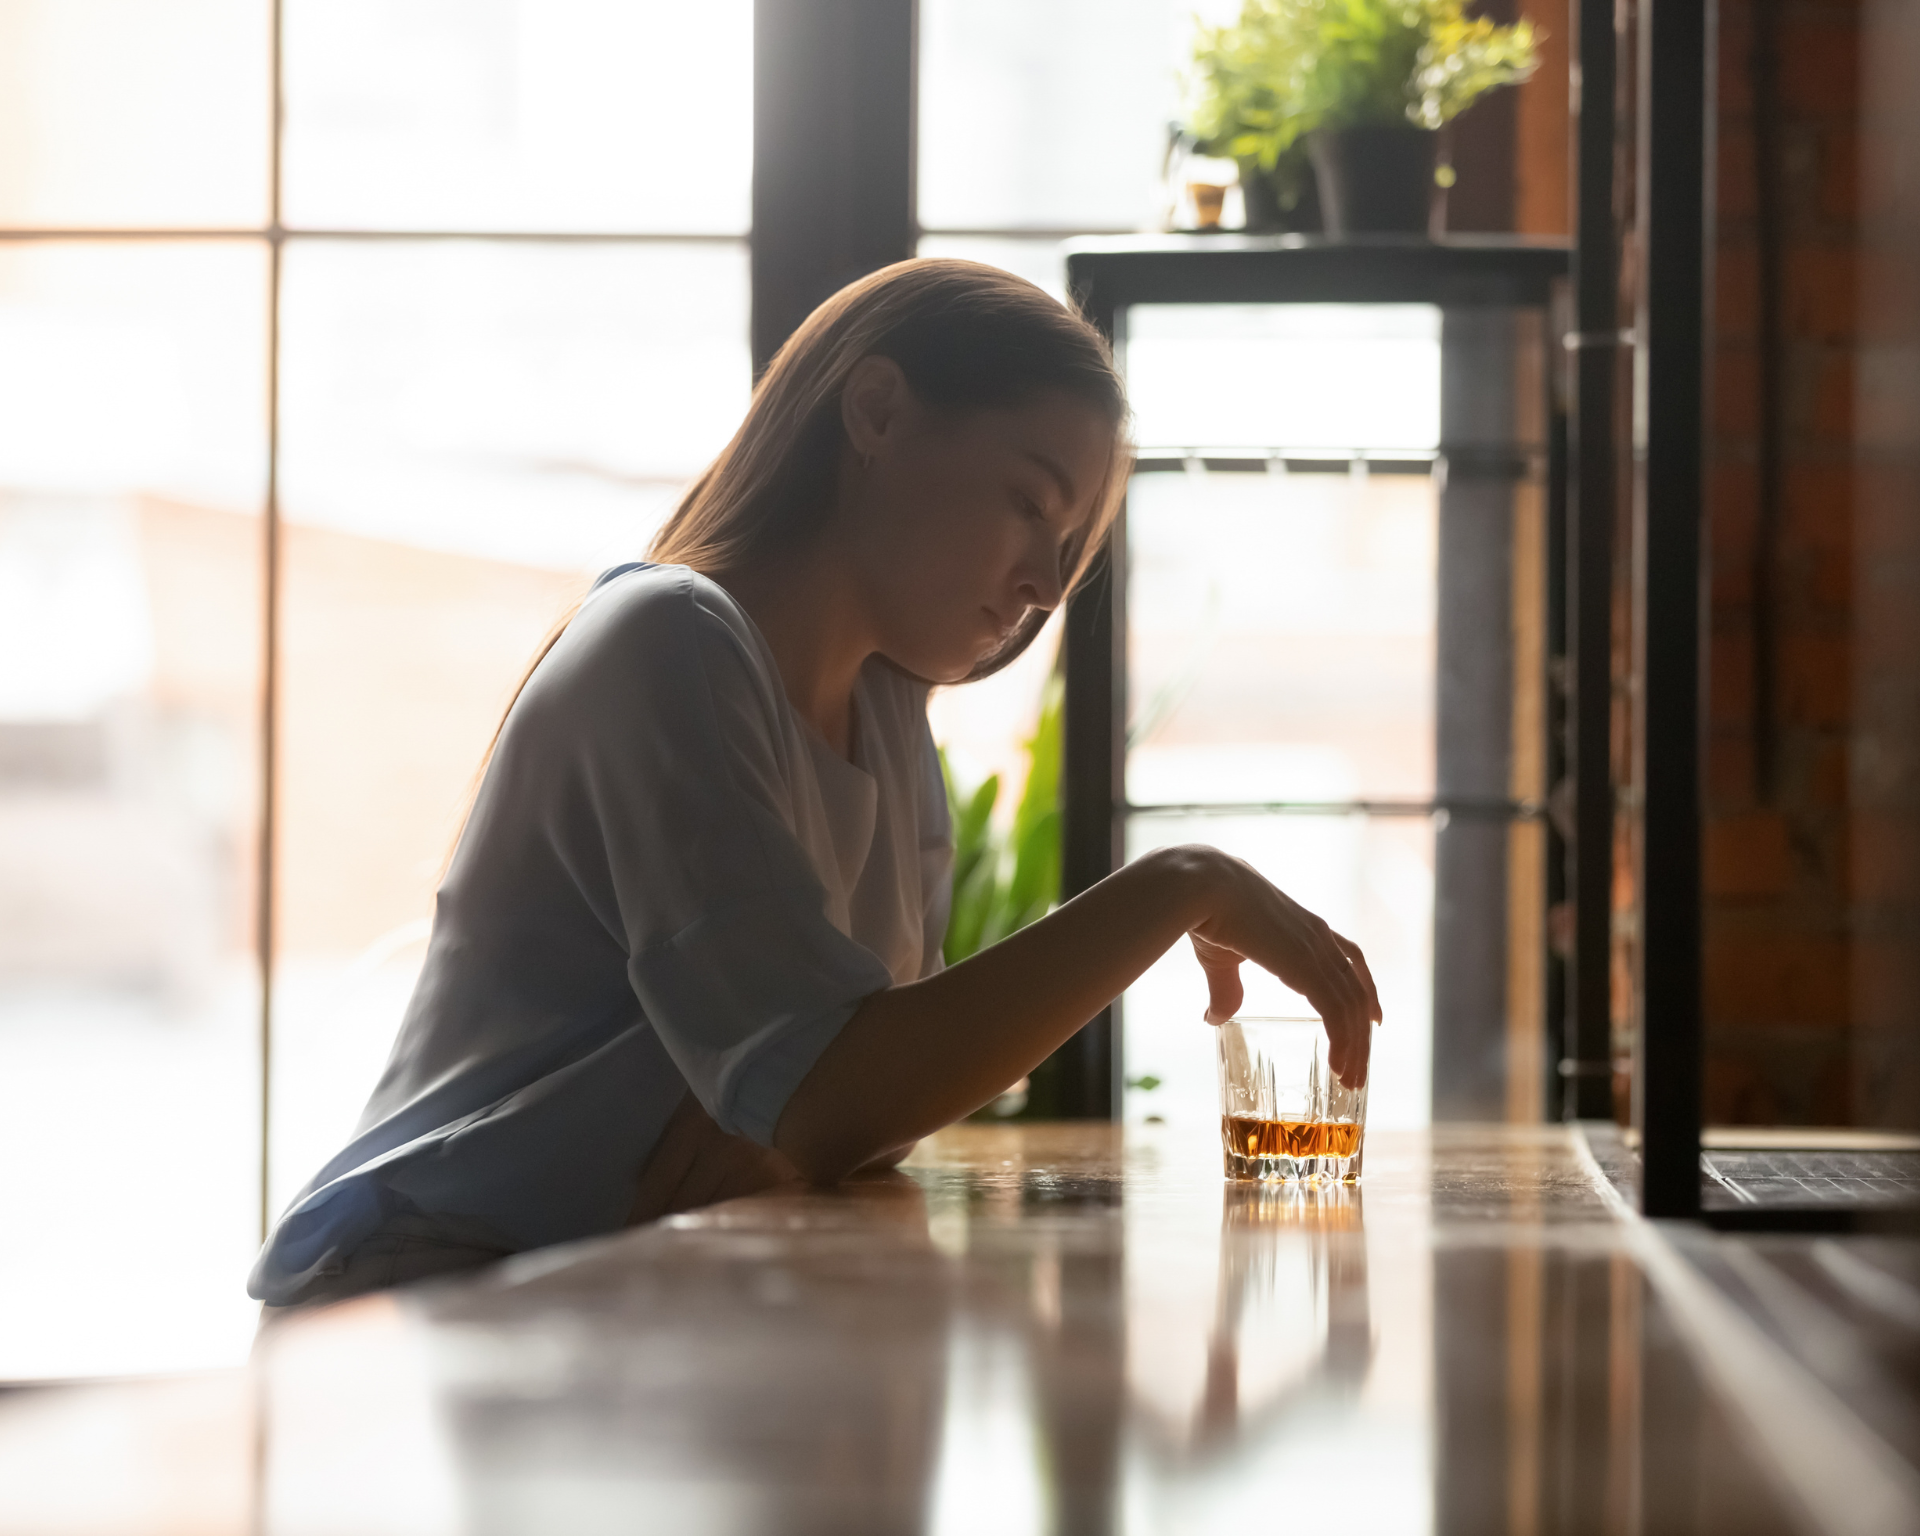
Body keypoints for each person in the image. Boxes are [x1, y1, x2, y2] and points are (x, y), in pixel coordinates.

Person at [248, 259, 1382, 1309]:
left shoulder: (887, 719)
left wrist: (809, 1109)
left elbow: (860, 1104)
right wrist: (1183, 885)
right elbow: (839, 1094)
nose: (1044, 581)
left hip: (622, 1288)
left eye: (1067, 538)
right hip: (429, 1296)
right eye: (1030, 502)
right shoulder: (669, 639)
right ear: (877, 411)